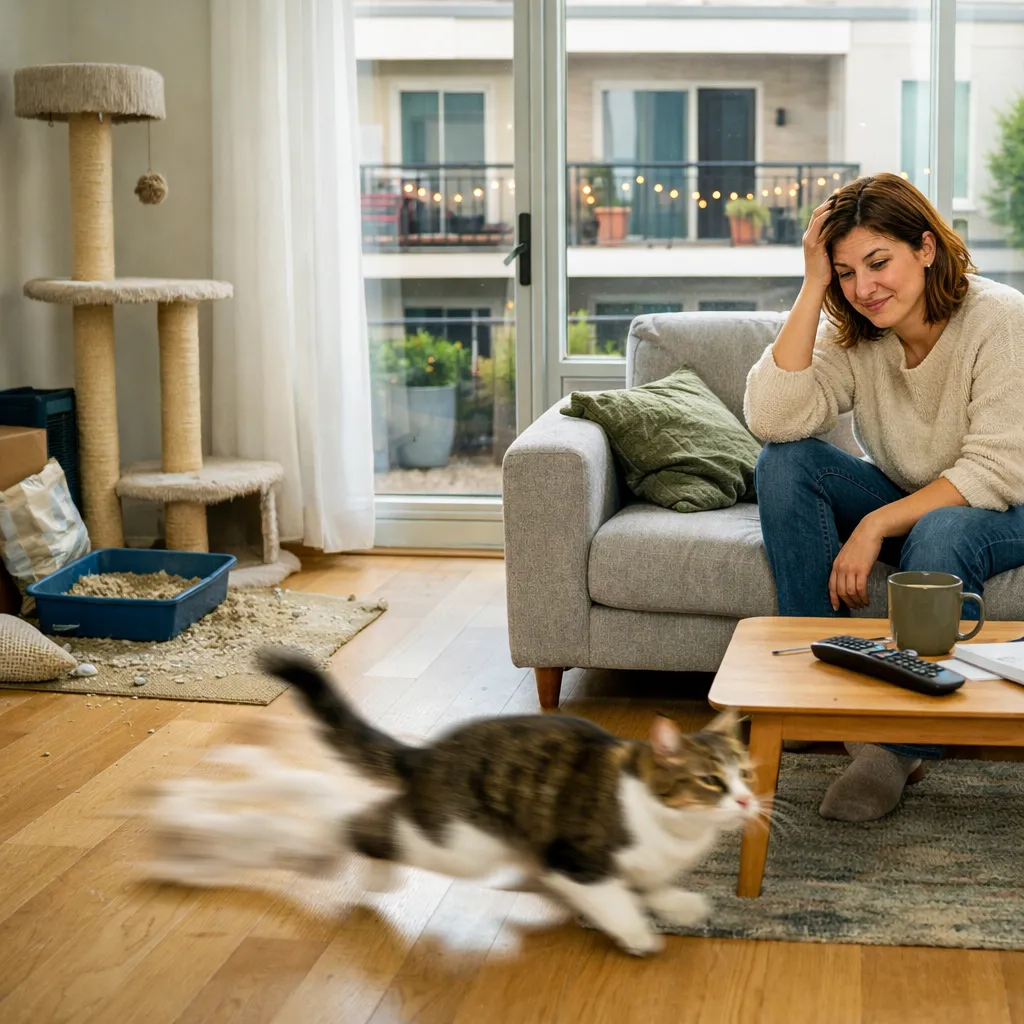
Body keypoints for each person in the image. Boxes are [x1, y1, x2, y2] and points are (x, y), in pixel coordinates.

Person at [744, 172, 1024, 822]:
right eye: (846, 272)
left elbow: (998, 468)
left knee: (943, 533)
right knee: (785, 464)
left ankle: (895, 747)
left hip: (1006, 503)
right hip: (918, 492)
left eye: (879, 262)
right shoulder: (860, 335)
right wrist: (813, 284)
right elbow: (774, 418)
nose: (864, 288)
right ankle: (823, 702)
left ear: (926, 248)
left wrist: (873, 524)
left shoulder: (999, 319)